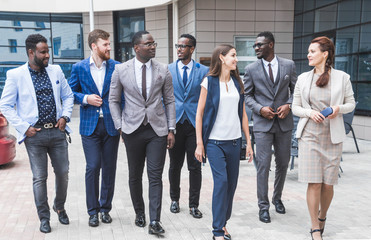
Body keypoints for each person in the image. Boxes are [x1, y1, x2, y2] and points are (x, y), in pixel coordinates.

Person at [0, 34, 74, 233]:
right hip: (35, 136)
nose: (47, 55)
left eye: (48, 51)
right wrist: (24, 127)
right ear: (31, 52)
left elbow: (68, 96)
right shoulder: (16, 75)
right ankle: (44, 217)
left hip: (57, 132)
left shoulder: (56, 71)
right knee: (39, 178)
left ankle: (59, 206)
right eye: (43, 52)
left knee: (63, 174)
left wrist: (65, 116)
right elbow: (5, 105)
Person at [109, 31, 176, 235]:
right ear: (136, 48)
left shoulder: (163, 69)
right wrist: (120, 126)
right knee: (135, 174)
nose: (153, 46)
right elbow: (113, 100)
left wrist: (171, 129)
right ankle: (140, 212)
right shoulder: (121, 70)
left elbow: (170, 100)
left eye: (154, 43)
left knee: (155, 176)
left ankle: (154, 221)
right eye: (148, 44)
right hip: (132, 130)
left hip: (157, 129)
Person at [292, 36, 355, 240]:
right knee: (314, 183)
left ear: (325, 54)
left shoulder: (343, 77)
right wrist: (309, 113)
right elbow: (295, 107)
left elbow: (351, 104)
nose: (308, 55)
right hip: (310, 134)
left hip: (332, 135)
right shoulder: (302, 78)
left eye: (312, 51)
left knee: (328, 184)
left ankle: (322, 216)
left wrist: (338, 108)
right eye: (309, 51)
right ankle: (314, 227)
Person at [195, 44, 253, 240]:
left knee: (231, 186)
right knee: (222, 183)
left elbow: (243, 114)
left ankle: (223, 223)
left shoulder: (238, 82)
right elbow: (199, 114)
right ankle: (217, 231)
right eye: (233, 56)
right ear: (221, 58)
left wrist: (249, 142)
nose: (236, 59)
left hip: (235, 142)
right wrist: (199, 143)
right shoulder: (208, 82)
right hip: (214, 143)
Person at [68, 29, 122, 227]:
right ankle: (92, 211)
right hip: (89, 126)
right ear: (94, 46)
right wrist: (85, 98)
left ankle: (105, 208)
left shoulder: (117, 66)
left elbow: (123, 95)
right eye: (105, 44)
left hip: (111, 126)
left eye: (109, 44)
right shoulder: (79, 67)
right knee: (93, 167)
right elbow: (70, 92)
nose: (109, 47)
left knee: (109, 168)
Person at [244, 31, 297, 223]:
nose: (256, 48)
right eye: (255, 45)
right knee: (263, 166)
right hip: (263, 125)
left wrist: (289, 105)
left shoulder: (288, 65)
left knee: (282, 163)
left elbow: (296, 90)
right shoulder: (251, 69)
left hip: (284, 124)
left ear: (271, 45)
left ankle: (277, 198)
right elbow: (247, 96)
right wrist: (260, 109)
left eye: (260, 45)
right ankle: (263, 206)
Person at [168, 34, 209, 218]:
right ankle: (174, 200)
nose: (179, 49)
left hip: (194, 125)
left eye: (183, 46)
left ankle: (194, 205)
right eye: (178, 45)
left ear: (192, 49)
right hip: (174, 125)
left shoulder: (203, 71)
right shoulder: (167, 70)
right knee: (174, 165)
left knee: (195, 167)